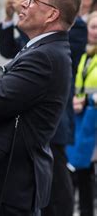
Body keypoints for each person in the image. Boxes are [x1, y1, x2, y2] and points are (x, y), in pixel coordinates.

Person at [0, 0, 81, 215]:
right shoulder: (41, 49)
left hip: (11, 183)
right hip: (12, 179)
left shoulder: (44, 56)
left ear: (51, 15)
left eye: (33, 0)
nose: (23, 4)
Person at [66, 11, 97, 216]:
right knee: (82, 172)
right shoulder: (87, 55)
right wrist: (77, 99)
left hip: (92, 122)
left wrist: (87, 100)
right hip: (84, 120)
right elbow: (80, 86)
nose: (95, 32)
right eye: (93, 26)